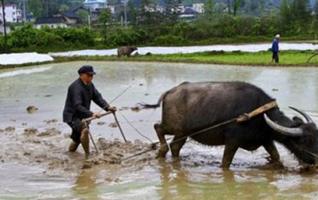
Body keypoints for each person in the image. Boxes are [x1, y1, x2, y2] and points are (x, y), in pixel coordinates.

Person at [63, 65, 117, 158]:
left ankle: (70, 155)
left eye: (92, 75)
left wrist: (108, 107)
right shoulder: (75, 87)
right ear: (82, 75)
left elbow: (97, 97)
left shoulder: (90, 84)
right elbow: (77, 105)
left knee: (77, 140)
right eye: (89, 75)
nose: (91, 77)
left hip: (83, 115)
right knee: (84, 130)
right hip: (72, 116)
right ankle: (87, 156)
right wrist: (92, 114)